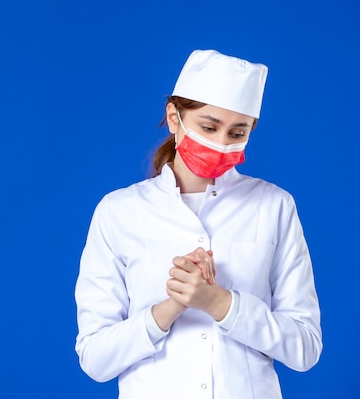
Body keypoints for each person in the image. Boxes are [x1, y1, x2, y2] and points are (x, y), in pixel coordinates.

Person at [74, 49, 322, 399]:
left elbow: (305, 348)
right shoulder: (119, 212)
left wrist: (220, 303)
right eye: (209, 127)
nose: (220, 144)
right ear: (174, 118)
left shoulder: (273, 206)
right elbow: (95, 359)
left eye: (237, 133)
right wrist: (172, 305)